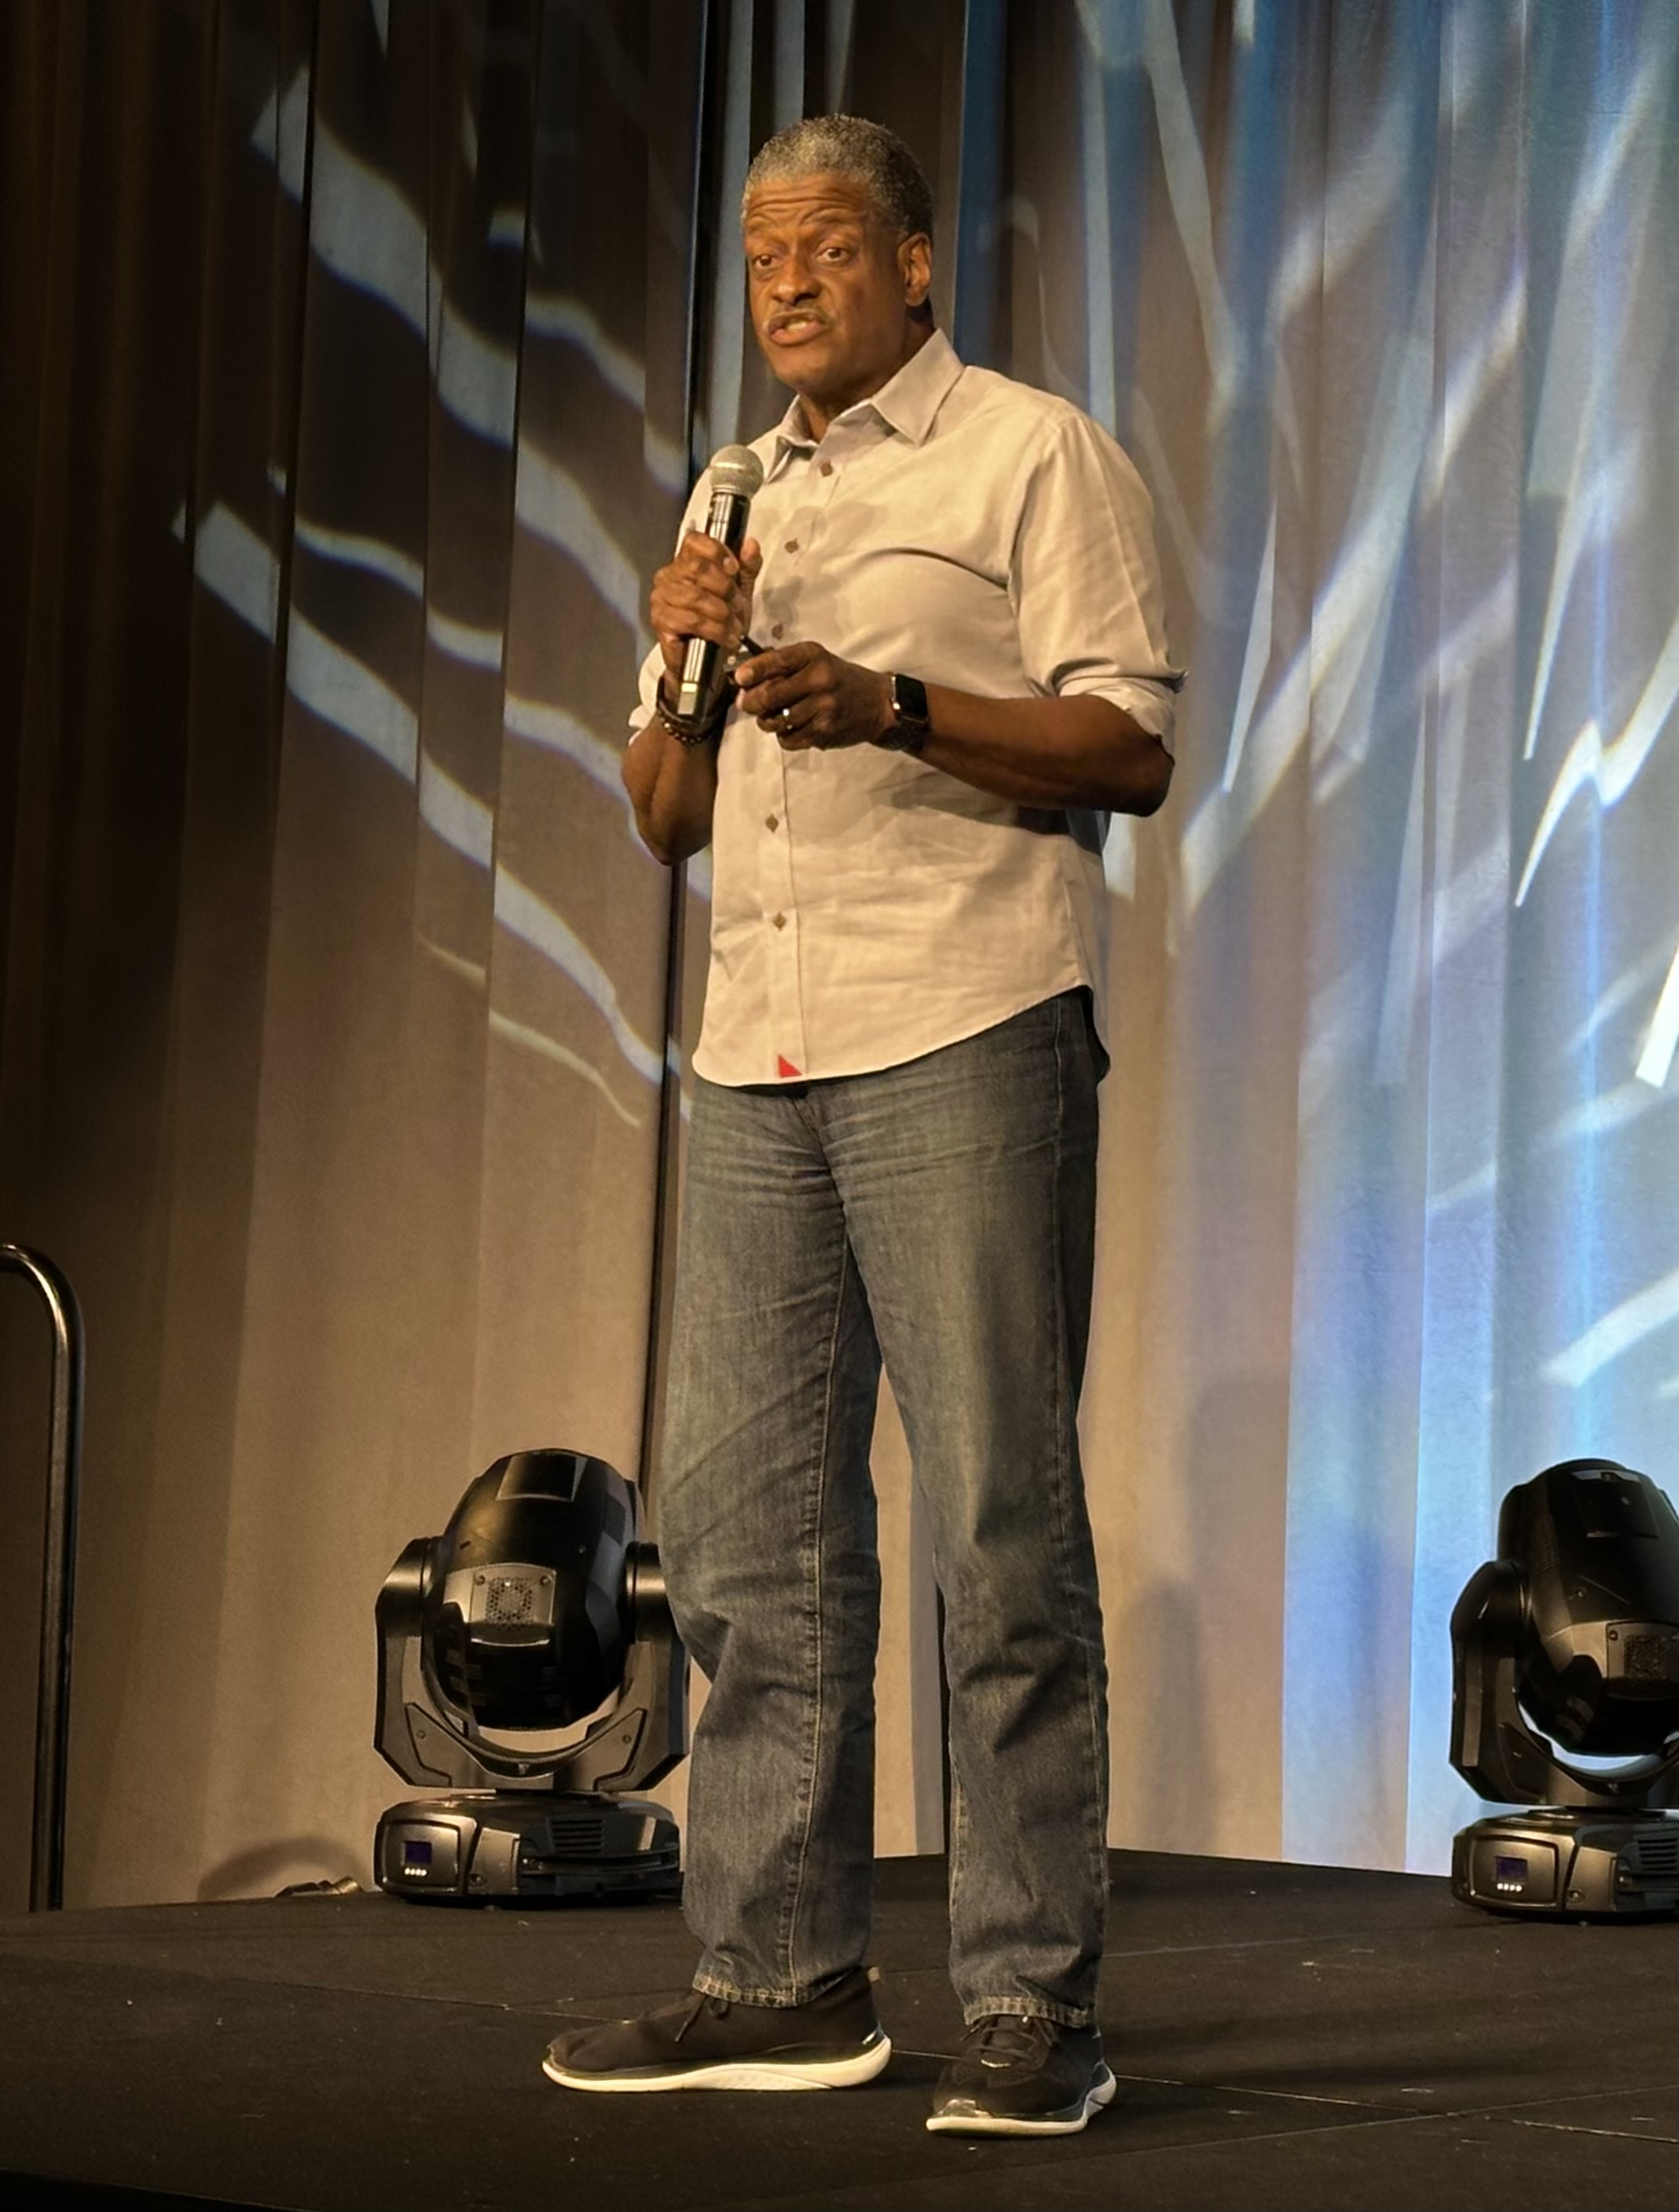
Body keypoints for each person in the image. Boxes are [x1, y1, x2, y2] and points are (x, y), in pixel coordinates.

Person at [543, 115, 1179, 2137]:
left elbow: (1129, 743)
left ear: (914, 263)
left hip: (962, 1022)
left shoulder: (1028, 454)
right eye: (761, 258)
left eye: (826, 247)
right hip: (759, 1055)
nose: (789, 285)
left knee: (996, 1526)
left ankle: (1030, 2000)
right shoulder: (737, 491)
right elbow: (664, 817)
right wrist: (687, 651)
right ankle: (781, 1974)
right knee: (747, 1540)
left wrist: (896, 701)